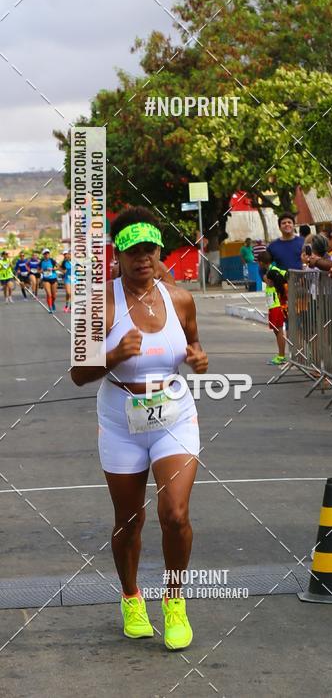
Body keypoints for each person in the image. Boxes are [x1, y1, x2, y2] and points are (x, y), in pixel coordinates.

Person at [70, 206, 208, 651]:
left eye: (150, 249)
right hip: (120, 419)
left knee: (176, 514)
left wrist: (199, 359)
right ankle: (131, 598)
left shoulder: (180, 299)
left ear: (159, 251)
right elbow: (77, 374)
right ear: (118, 254)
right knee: (129, 521)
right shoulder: (99, 304)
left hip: (174, 415)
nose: (143, 258)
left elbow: (192, 342)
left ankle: (174, 602)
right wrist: (113, 356)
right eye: (133, 251)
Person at [257, 250, 288, 365]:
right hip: (273, 304)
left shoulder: (273, 271)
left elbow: (284, 276)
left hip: (276, 305)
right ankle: (281, 355)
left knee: (278, 330)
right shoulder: (270, 271)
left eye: (258, 262)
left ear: (261, 262)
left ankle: (281, 356)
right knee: (277, 331)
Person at [40, 248, 58, 313]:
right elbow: (38, 270)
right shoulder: (41, 262)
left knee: (54, 296)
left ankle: (52, 303)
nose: (46, 255)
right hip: (46, 279)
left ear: (49, 254)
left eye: (47, 253)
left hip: (53, 278)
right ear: (43, 255)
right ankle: (50, 308)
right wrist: (41, 270)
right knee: (49, 294)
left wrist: (52, 269)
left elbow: (57, 267)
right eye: (45, 254)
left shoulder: (52, 260)